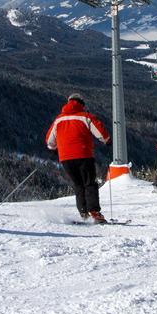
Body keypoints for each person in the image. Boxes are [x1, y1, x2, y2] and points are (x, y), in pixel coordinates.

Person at [45, 93, 110, 223]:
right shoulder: (85, 117)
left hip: (65, 159)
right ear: (81, 103)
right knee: (89, 183)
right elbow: (100, 131)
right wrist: (107, 140)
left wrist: (53, 149)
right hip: (83, 155)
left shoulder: (58, 120)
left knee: (78, 184)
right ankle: (94, 212)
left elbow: (49, 141)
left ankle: (83, 213)